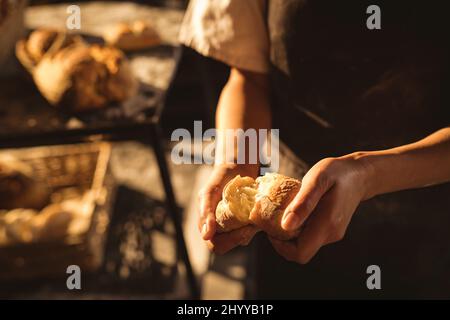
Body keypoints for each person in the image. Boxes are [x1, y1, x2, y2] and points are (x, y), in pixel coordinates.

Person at [179, 0, 450, 298]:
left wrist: (368, 174)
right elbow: (249, 79)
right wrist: (239, 160)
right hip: (292, 220)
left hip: (427, 232)